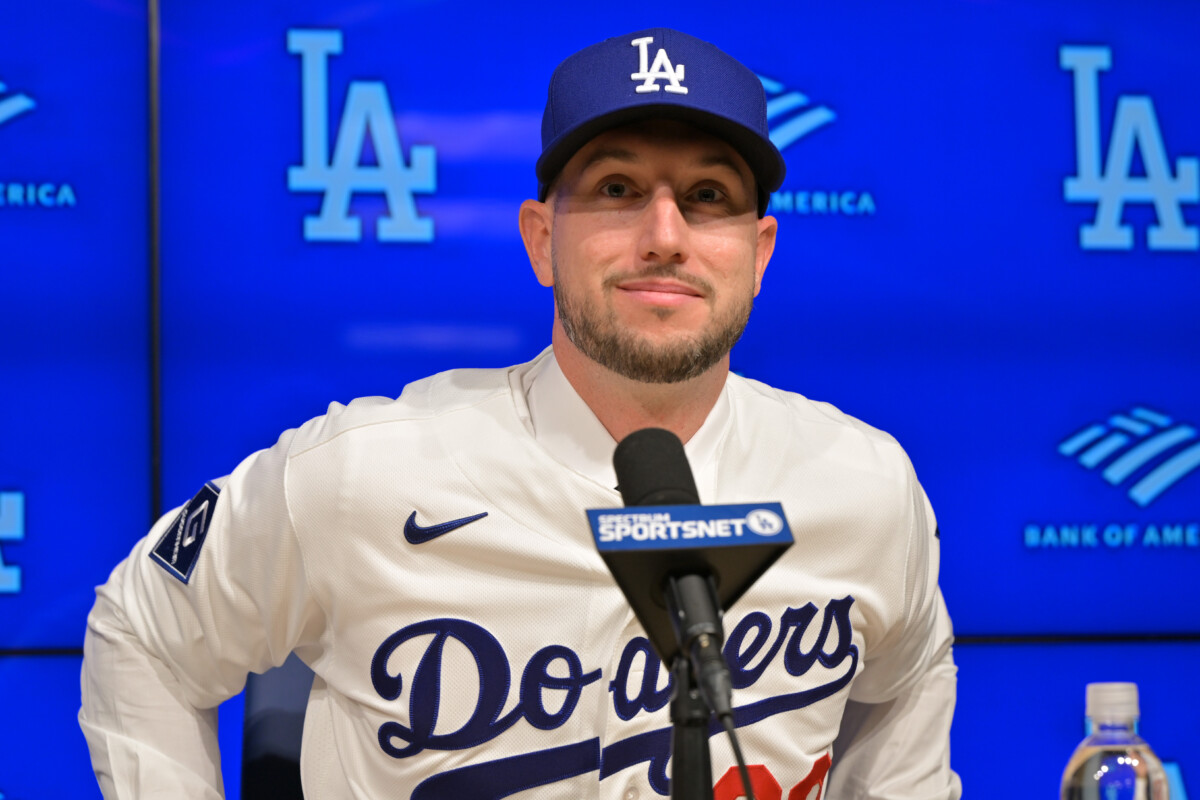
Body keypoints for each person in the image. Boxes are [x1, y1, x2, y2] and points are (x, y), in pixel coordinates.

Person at [80, 27, 961, 799]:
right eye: (617, 190)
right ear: (543, 240)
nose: (664, 232)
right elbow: (144, 628)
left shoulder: (863, 487)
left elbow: (907, 690)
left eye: (708, 197)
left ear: (759, 252)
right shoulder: (365, 472)